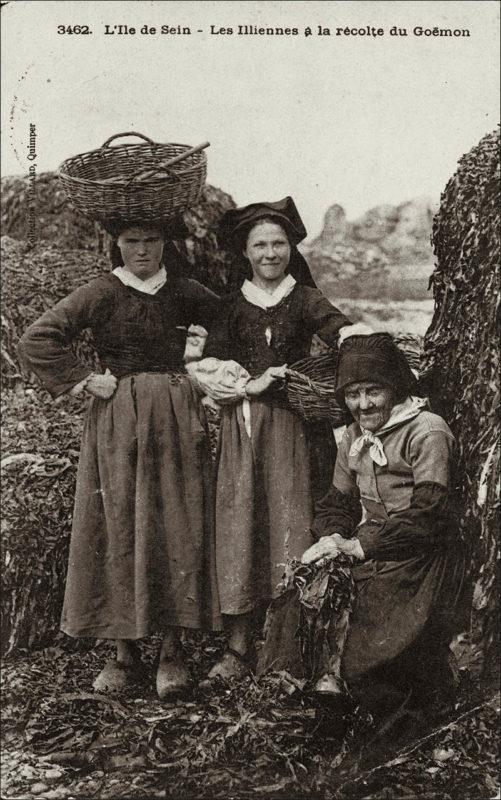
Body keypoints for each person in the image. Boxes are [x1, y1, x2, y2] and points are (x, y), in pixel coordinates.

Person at [18, 218, 222, 699]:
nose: (142, 250)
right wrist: (87, 378)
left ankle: (172, 651)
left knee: (177, 520)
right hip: (118, 419)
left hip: (175, 415)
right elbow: (37, 338)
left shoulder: (187, 291)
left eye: (151, 240)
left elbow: (237, 324)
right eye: (132, 241)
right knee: (118, 520)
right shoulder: (101, 291)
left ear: (164, 243)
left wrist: (205, 367)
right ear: (117, 243)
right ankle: (122, 651)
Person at [189, 197, 369, 682]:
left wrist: (358, 342)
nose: (271, 253)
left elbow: (339, 328)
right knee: (240, 523)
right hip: (243, 428)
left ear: (291, 247)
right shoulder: (231, 305)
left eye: (279, 243)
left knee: (292, 523)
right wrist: (248, 385)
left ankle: (287, 645)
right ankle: (238, 645)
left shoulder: (304, 298)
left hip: (296, 431)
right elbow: (205, 368)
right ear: (245, 253)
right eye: (260, 245)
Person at [300, 332, 466, 721]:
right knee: (309, 595)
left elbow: (429, 514)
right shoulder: (355, 437)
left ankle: (385, 693)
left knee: (374, 626)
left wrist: (361, 546)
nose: (363, 404)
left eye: (373, 391)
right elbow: (338, 503)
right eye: (352, 394)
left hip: (420, 553)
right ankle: (332, 685)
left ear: (394, 387)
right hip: (375, 546)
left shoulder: (426, 430)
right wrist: (332, 537)